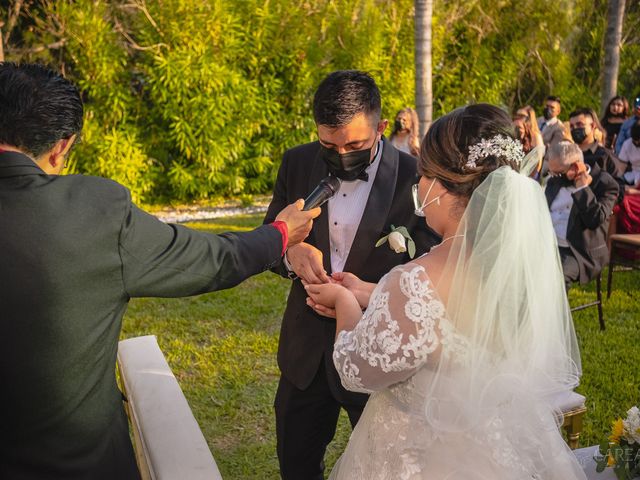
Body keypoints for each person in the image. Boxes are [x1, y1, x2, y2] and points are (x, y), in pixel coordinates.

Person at [0, 62, 320, 480]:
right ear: (62, 146)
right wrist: (280, 234)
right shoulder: (92, 210)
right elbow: (209, 259)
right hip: (78, 465)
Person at [305, 103, 587, 479]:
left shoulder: (414, 281)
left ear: (441, 186)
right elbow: (448, 317)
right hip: (495, 449)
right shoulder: (513, 271)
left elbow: (357, 372)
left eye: (422, 174)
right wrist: (372, 292)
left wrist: (343, 302)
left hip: (421, 457)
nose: (418, 185)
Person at [263, 70, 439, 480]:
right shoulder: (297, 162)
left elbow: (431, 266)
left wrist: (365, 296)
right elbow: (269, 239)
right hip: (305, 351)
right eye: (330, 144)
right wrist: (290, 251)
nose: (342, 154)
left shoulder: (417, 177)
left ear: (381, 126)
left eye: (356, 145)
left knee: (383, 467)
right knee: (296, 462)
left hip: (382, 352)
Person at [545, 142, 619, 290]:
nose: (554, 178)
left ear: (576, 166)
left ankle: (555, 313)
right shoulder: (555, 180)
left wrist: (583, 189)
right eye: (551, 172)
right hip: (550, 245)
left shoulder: (604, 184)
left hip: (579, 252)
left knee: (557, 279)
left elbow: (594, 220)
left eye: (558, 173)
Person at [569, 107, 625, 198]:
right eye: (571, 126)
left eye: (579, 124)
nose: (575, 129)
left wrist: (603, 205)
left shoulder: (605, 156)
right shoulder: (567, 156)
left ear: (592, 126)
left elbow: (619, 189)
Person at [513, 112, 545, 178]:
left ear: (526, 130)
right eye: (514, 127)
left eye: (519, 127)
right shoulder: (508, 145)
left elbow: (536, 168)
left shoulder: (531, 149)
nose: (516, 130)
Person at [618, 119, 640, 187]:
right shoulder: (627, 144)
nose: (636, 143)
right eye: (634, 140)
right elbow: (621, 166)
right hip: (633, 175)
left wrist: (633, 188)